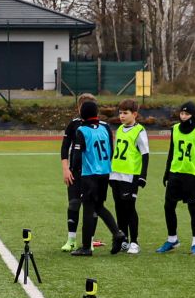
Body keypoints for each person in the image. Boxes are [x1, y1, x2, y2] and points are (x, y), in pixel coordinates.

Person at [68, 99, 128, 256]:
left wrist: (74, 170)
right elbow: (111, 149)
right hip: (105, 172)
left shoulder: (81, 130)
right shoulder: (105, 127)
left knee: (88, 210)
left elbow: (76, 155)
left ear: (82, 114)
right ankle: (117, 233)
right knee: (99, 206)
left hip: (90, 175)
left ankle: (86, 247)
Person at [157, 101, 195, 255]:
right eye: (181, 113)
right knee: (168, 206)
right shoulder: (175, 129)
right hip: (175, 173)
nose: (183, 116)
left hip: (193, 176)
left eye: (187, 114)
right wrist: (167, 172)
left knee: (193, 209)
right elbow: (172, 151)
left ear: (193, 115)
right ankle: (172, 239)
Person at [109, 98, 150, 254]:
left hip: (130, 175)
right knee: (119, 208)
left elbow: (145, 154)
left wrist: (142, 176)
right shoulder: (120, 129)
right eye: (120, 113)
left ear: (134, 114)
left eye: (125, 113)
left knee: (129, 208)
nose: (122, 116)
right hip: (116, 174)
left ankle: (134, 242)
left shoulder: (139, 131)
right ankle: (123, 239)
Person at [59, 93, 97, 251]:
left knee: (92, 208)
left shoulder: (100, 126)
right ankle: (71, 240)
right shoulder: (73, 124)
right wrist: (66, 169)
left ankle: (90, 241)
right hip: (75, 172)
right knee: (73, 204)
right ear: (79, 107)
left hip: (93, 173)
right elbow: (64, 148)